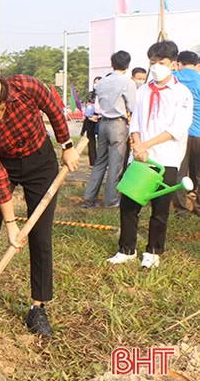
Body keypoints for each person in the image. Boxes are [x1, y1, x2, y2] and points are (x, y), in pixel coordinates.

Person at [0, 56, 78, 337]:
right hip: (2, 166)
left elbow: (53, 109)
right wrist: (10, 224)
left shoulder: (25, 86)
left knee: (41, 236)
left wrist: (66, 145)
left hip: (40, 164)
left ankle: (38, 307)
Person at [108, 41, 192, 269]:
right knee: (129, 204)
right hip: (140, 157)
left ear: (173, 64)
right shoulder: (143, 90)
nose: (156, 67)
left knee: (160, 208)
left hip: (166, 158)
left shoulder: (182, 94)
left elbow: (177, 128)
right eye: (152, 62)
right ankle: (126, 249)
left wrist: (146, 145)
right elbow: (134, 121)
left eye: (161, 63)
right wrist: (137, 144)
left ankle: (153, 251)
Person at [82, 52, 136, 209]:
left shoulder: (102, 82)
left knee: (100, 161)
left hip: (103, 123)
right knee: (115, 163)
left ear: (112, 64)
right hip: (118, 124)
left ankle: (89, 198)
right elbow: (132, 106)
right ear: (127, 65)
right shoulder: (127, 82)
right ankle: (111, 201)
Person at [173, 51, 200, 214]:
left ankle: (181, 209)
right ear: (197, 65)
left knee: (180, 172)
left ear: (178, 63)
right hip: (199, 133)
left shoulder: (173, 78)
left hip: (179, 133)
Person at [81, 77, 101, 167]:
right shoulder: (90, 94)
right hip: (90, 120)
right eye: (95, 82)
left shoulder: (104, 94)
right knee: (91, 140)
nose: (96, 84)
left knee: (101, 141)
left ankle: (100, 160)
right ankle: (92, 161)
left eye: (98, 82)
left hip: (99, 119)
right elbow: (87, 105)